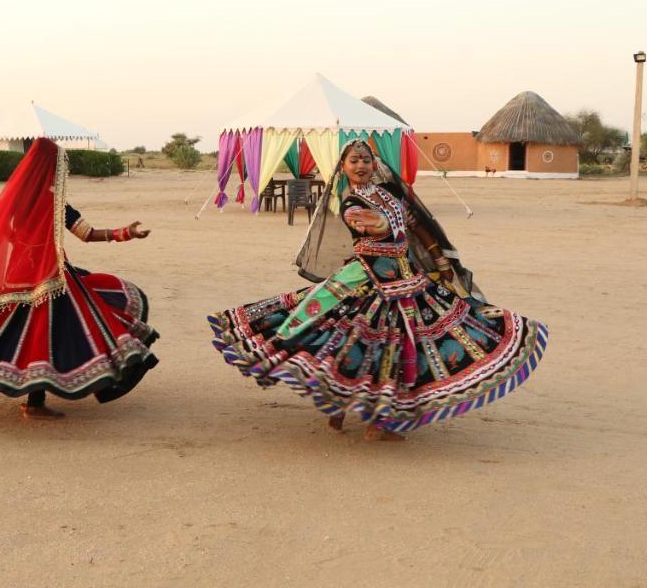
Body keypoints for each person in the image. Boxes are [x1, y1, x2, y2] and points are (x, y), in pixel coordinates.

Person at [208, 138, 547, 441]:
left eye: (366, 160)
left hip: (405, 276)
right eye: (353, 161)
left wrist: (438, 260)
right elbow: (381, 229)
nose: (360, 165)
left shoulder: (388, 193)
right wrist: (389, 224)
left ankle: (357, 418)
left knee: (387, 345)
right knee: (350, 340)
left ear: (375, 164)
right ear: (343, 167)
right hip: (369, 279)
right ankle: (358, 418)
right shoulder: (351, 201)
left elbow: (417, 227)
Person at [0, 137, 158, 418]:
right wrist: (124, 233)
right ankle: (34, 402)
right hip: (50, 277)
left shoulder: (13, 200)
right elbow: (87, 234)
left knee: (22, 335)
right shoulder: (54, 201)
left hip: (20, 278)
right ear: (51, 169)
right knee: (47, 334)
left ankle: (33, 400)